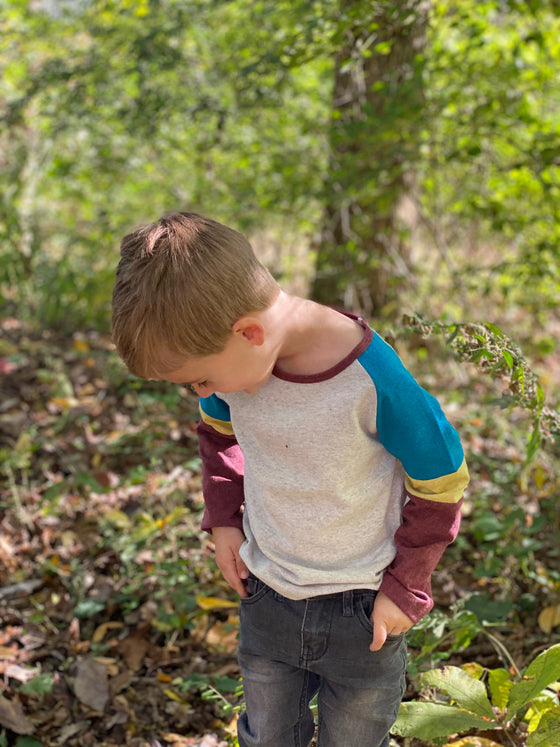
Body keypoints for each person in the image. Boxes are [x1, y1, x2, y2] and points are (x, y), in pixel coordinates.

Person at [112, 211, 470, 747]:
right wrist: (225, 521)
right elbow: (218, 438)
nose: (200, 391)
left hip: (363, 605)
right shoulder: (233, 367)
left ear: (249, 332)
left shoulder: (371, 380)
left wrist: (407, 586)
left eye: (200, 379)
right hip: (269, 594)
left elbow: (441, 478)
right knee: (268, 736)